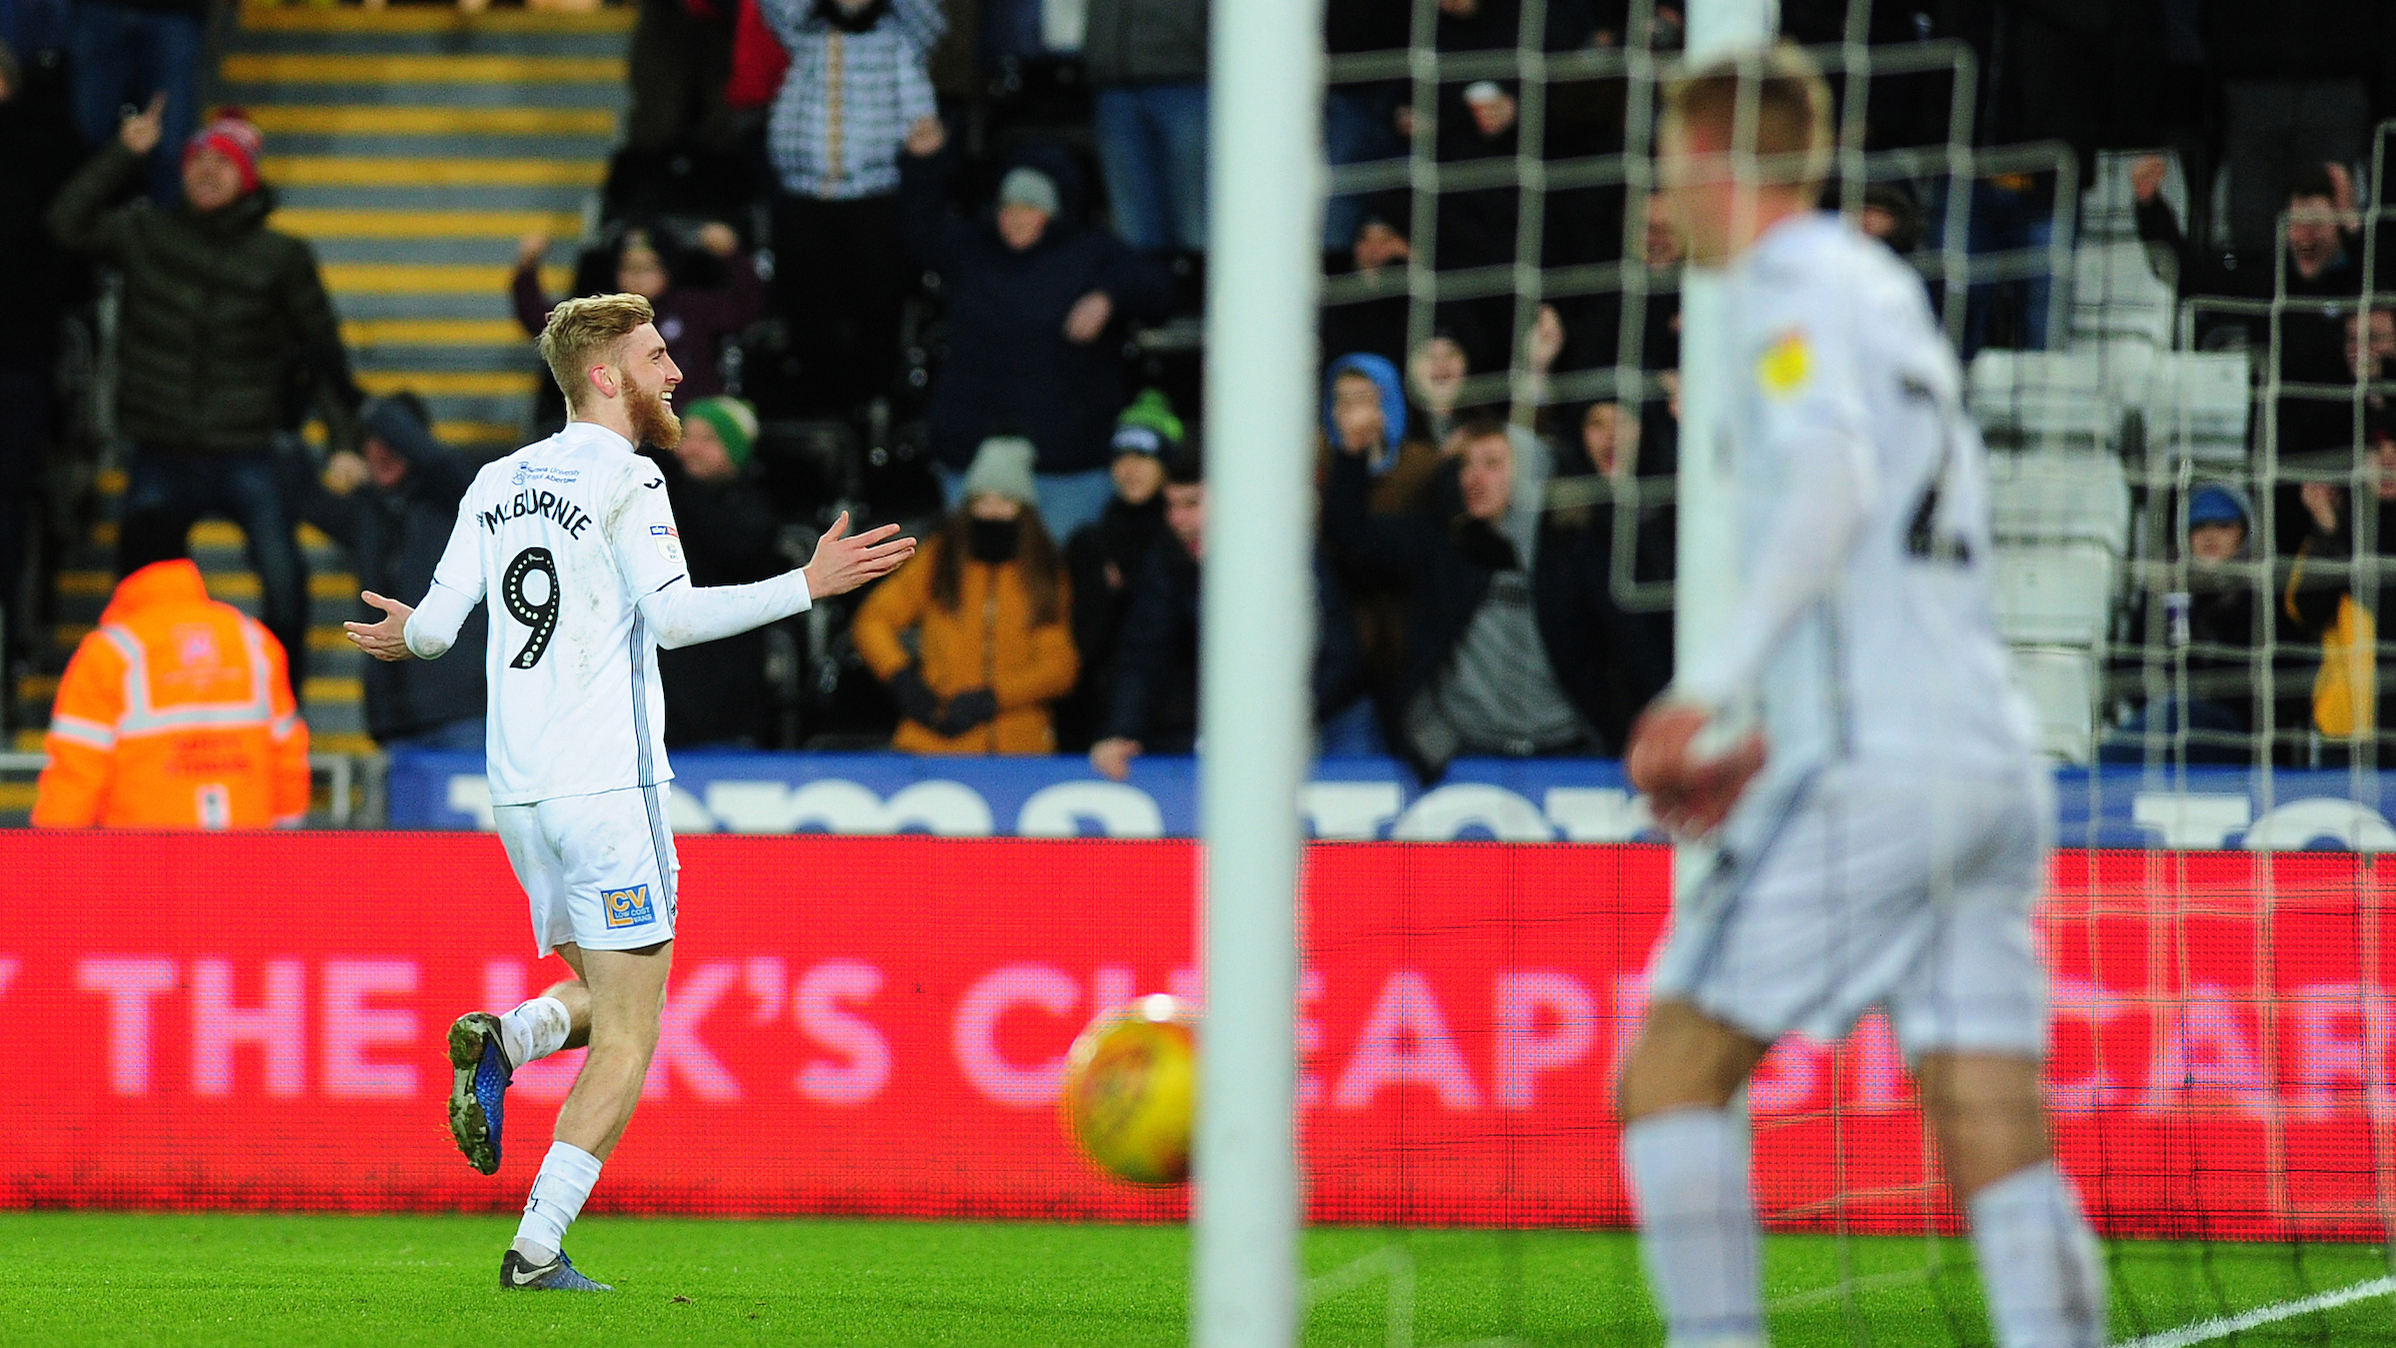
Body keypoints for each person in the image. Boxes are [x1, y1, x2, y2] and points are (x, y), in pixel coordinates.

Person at [1616, 48, 2103, 1348]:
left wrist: (1710, 691)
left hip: (1881, 766)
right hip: (1986, 760)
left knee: (1666, 1078)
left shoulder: (1785, 291)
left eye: (1672, 168)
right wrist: (1779, 728)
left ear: (1717, 159)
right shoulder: (1879, 288)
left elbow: (1832, 482)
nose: (1665, 200)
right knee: (1994, 1122)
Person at [341, 293, 915, 1292]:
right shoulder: (630, 476)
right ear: (603, 375)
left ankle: (508, 1039)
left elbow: (433, 632)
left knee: (608, 996)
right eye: (656, 356)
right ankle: (535, 1248)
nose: (673, 372)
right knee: (632, 1031)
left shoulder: (493, 480)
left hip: (518, 801)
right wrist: (805, 586)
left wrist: (399, 633)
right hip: (607, 786)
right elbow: (676, 617)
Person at [49, 100, 363, 694]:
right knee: (136, 597)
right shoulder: (145, 233)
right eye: (198, 160)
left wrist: (343, 443)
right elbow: (65, 223)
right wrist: (124, 153)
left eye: (224, 162)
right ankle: (136, 705)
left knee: (284, 584)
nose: (207, 171)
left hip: (247, 449)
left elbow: (323, 356)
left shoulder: (282, 256)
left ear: (247, 176)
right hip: (161, 448)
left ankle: (280, 712)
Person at [1323, 415, 1648, 778]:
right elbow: (1351, 533)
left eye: (1492, 464)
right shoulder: (1444, 545)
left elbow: (1634, 644)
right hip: (1466, 755)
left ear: (1531, 474)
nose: (1473, 478)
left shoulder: (1573, 553)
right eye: (1466, 465)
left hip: (1567, 755)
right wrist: (1351, 456)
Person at [900, 118, 1177, 540]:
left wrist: (1109, 296)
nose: (1015, 218)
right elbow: (919, 232)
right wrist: (928, 163)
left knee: (1061, 586)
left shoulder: (1093, 254)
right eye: (1009, 206)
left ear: (1054, 211)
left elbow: (1161, 290)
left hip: (1067, 464)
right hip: (973, 460)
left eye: (1030, 208)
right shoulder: (973, 248)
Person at [33, 511, 309, 829]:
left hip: (144, 864)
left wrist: (46, 866)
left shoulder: (111, 652)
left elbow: (76, 772)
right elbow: (288, 752)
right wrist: (287, 844)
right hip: (244, 860)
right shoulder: (253, 640)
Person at [757, 0, 942, 413]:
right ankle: (817, 404)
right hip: (803, 195)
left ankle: (872, 404)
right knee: (807, 310)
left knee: (874, 308)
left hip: (873, 196)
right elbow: (776, 8)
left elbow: (929, 16)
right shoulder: (805, 34)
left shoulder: (900, 37)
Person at [854, 436, 1080, 753]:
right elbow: (873, 620)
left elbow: (1059, 667)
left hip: (1020, 750)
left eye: (1005, 501)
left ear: (1024, 510)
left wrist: (994, 698)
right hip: (933, 739)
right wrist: (903, 679)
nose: (991, 511)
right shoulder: (940, 558)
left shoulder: (1043, 572)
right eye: (981, 501)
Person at [298, 395, 490, 752]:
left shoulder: (460, 500)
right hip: (393, 719)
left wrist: (363, 410)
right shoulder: (365, 512)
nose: (382, 452)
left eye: (393, 441)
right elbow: (299, 490)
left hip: (462, 712)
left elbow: (438, 461)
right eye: (372, 443)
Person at [647, 395, 789, 748]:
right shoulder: (652, 498)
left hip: (726, 709)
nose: (690, 449)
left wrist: (676, 482)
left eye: (708, 440)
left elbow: (731, 546)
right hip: (658, 701)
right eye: (684, 437)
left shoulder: (753, 514)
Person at [512, 220, 766, 404]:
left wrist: (733, 256)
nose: (637, 278)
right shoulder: (602, 314)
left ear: (668, 269)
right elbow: (544, 323)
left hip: (687, 431)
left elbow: (747, 308)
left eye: (648, 268)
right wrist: (527, 268)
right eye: (629, 268)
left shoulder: (692, 308)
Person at [2101, 482, 2264, 764]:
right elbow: (2129, 672)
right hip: (2166, 726)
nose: (2210, 536)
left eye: (2223, 525)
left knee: (2175, 713)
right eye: (2199, 527)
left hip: (2237, 733)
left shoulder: (2260, 598)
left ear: (2243, 533)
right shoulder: (2164, 593)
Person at [1061, 391, 1181, 749]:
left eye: (1144, 457)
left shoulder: (1187, 546)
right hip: (1092, 720)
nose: (1130, 469)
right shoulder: (1088, 544)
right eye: (1122, 457)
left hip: (1170, 722)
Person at [1083, 0, 1208, 257]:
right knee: (1131, 231)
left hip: (1187, 80)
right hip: (1113, 83)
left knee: (1197, 224)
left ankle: (1198, 296)